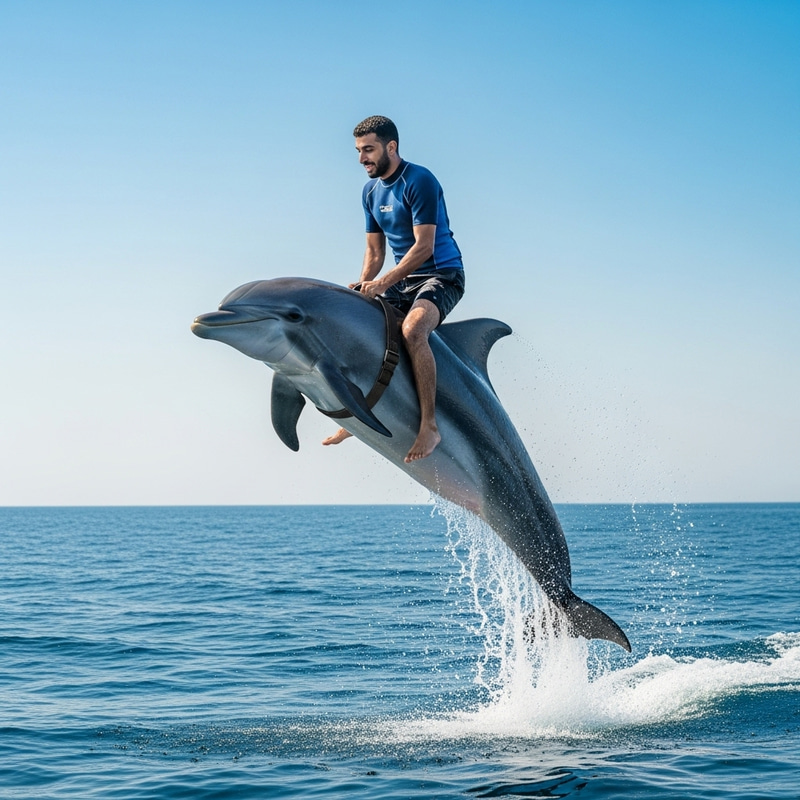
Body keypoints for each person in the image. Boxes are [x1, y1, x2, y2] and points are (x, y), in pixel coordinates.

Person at [322, 115, 465, 463]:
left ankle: (429, 426)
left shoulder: (419, 180)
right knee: (360, 325)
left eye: (368, 150)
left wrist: (383, 283)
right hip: (402, 280)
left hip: (441, 275)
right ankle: (357, 412)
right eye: (358, 151)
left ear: (391, 147)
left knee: (413, 330)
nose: (362, 159)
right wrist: (363, 286)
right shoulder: (370, 192)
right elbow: (375, 252)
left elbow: (424, 247)